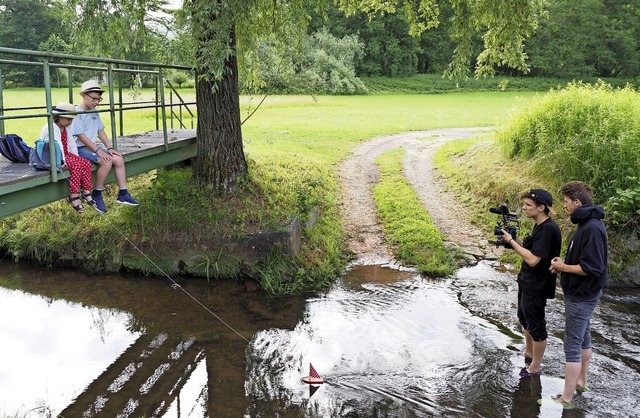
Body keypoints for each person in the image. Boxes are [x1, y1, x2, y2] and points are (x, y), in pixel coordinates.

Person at [549, 181, 608, 409]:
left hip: (582, 295)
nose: (564, 206)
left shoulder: (591, 227)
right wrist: (563, 265)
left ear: (577, 202)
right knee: (583, 337)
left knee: (572, 345)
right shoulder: (587, 223)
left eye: (565, 202)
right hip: (583, 294)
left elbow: (591, 268)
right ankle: (581, 381)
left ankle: (566, 398)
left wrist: (564, 267)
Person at [501, 189, 561, 379]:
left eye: (528, 205)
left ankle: (534, 367)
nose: (524, 208)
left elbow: (534, 260)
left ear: (541, 207)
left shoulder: (549, 229)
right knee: (524, 317)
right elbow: (531, 250)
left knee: (536, 324)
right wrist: (514, 239)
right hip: (527, 281)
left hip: (537, 284)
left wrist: (511, 241)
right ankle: (528, 353)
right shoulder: (539, 225)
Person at [71, 79, 139, 213]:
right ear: (84, 95)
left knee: (118, 159)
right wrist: (98, 151)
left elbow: (100, 130)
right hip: (79, 148)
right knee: (106, 162)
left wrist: (109, 148)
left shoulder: (94, 111)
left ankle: (123, 194)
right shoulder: (76, 112)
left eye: (99, 99)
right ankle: (97, 193)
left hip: (92, 147)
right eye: (94, 99)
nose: (96, 102)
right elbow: (81, 136)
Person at [41, 102, 99, 213]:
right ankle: (74, 195)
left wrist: (76, 157)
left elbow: (71, 143)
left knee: (85, 163)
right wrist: (62, 161)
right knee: (76, 166)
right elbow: (57, 145)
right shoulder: (51, 127)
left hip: (65, 153)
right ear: (59, 117)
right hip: (53, 156)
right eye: (69, 119)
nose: (70, 122)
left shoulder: (65, 127)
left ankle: (86, 191)